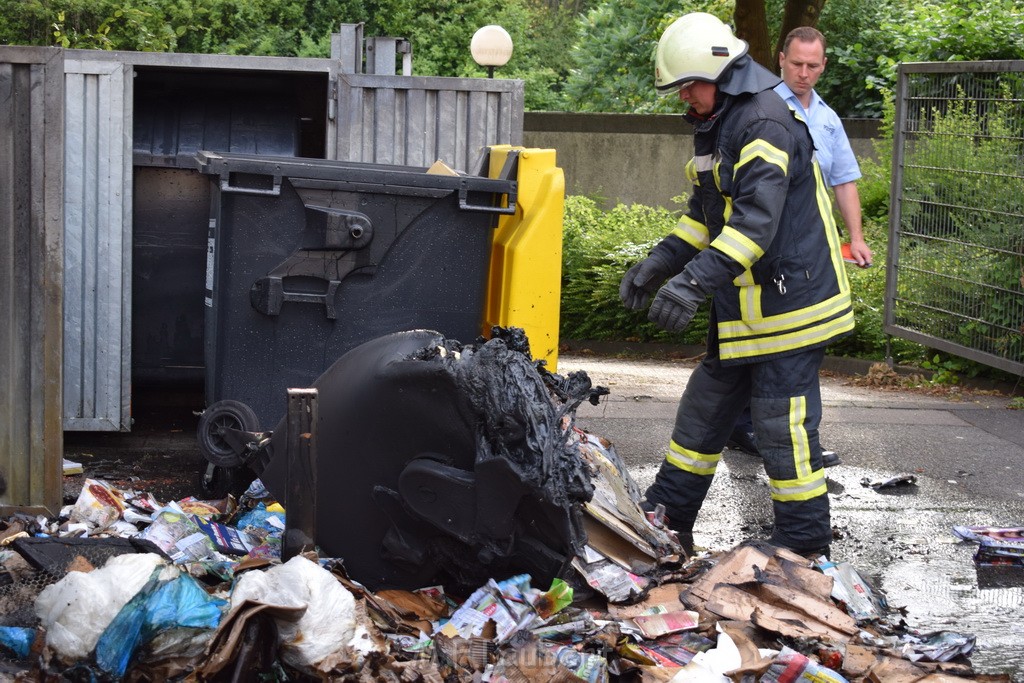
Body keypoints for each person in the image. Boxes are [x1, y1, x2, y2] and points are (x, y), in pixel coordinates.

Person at [619, 12, 854, 556]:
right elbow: (706, 216)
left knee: (781, 427)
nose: (683, 97)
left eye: (687, 85)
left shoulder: (764, 122)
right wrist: (658, 264)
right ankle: (668, 516)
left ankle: (802, 543)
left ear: (718, 74)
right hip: (745, 308)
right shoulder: (717, 124)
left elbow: (755, 223)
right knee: (703, 412)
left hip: (793, 306)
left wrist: (692, 283)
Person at [726, 26, 873, 466]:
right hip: (764, 245)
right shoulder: (761, 109)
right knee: (771, 341)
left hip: (807, 250)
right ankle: (759, 432)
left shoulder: (827, 118)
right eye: (796, 64)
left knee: (799, 345)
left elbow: (843, 180)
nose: (804, 73)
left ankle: (774, 433)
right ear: (781, 58)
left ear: (823, 65)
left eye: (813, 66)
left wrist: (857, 238)